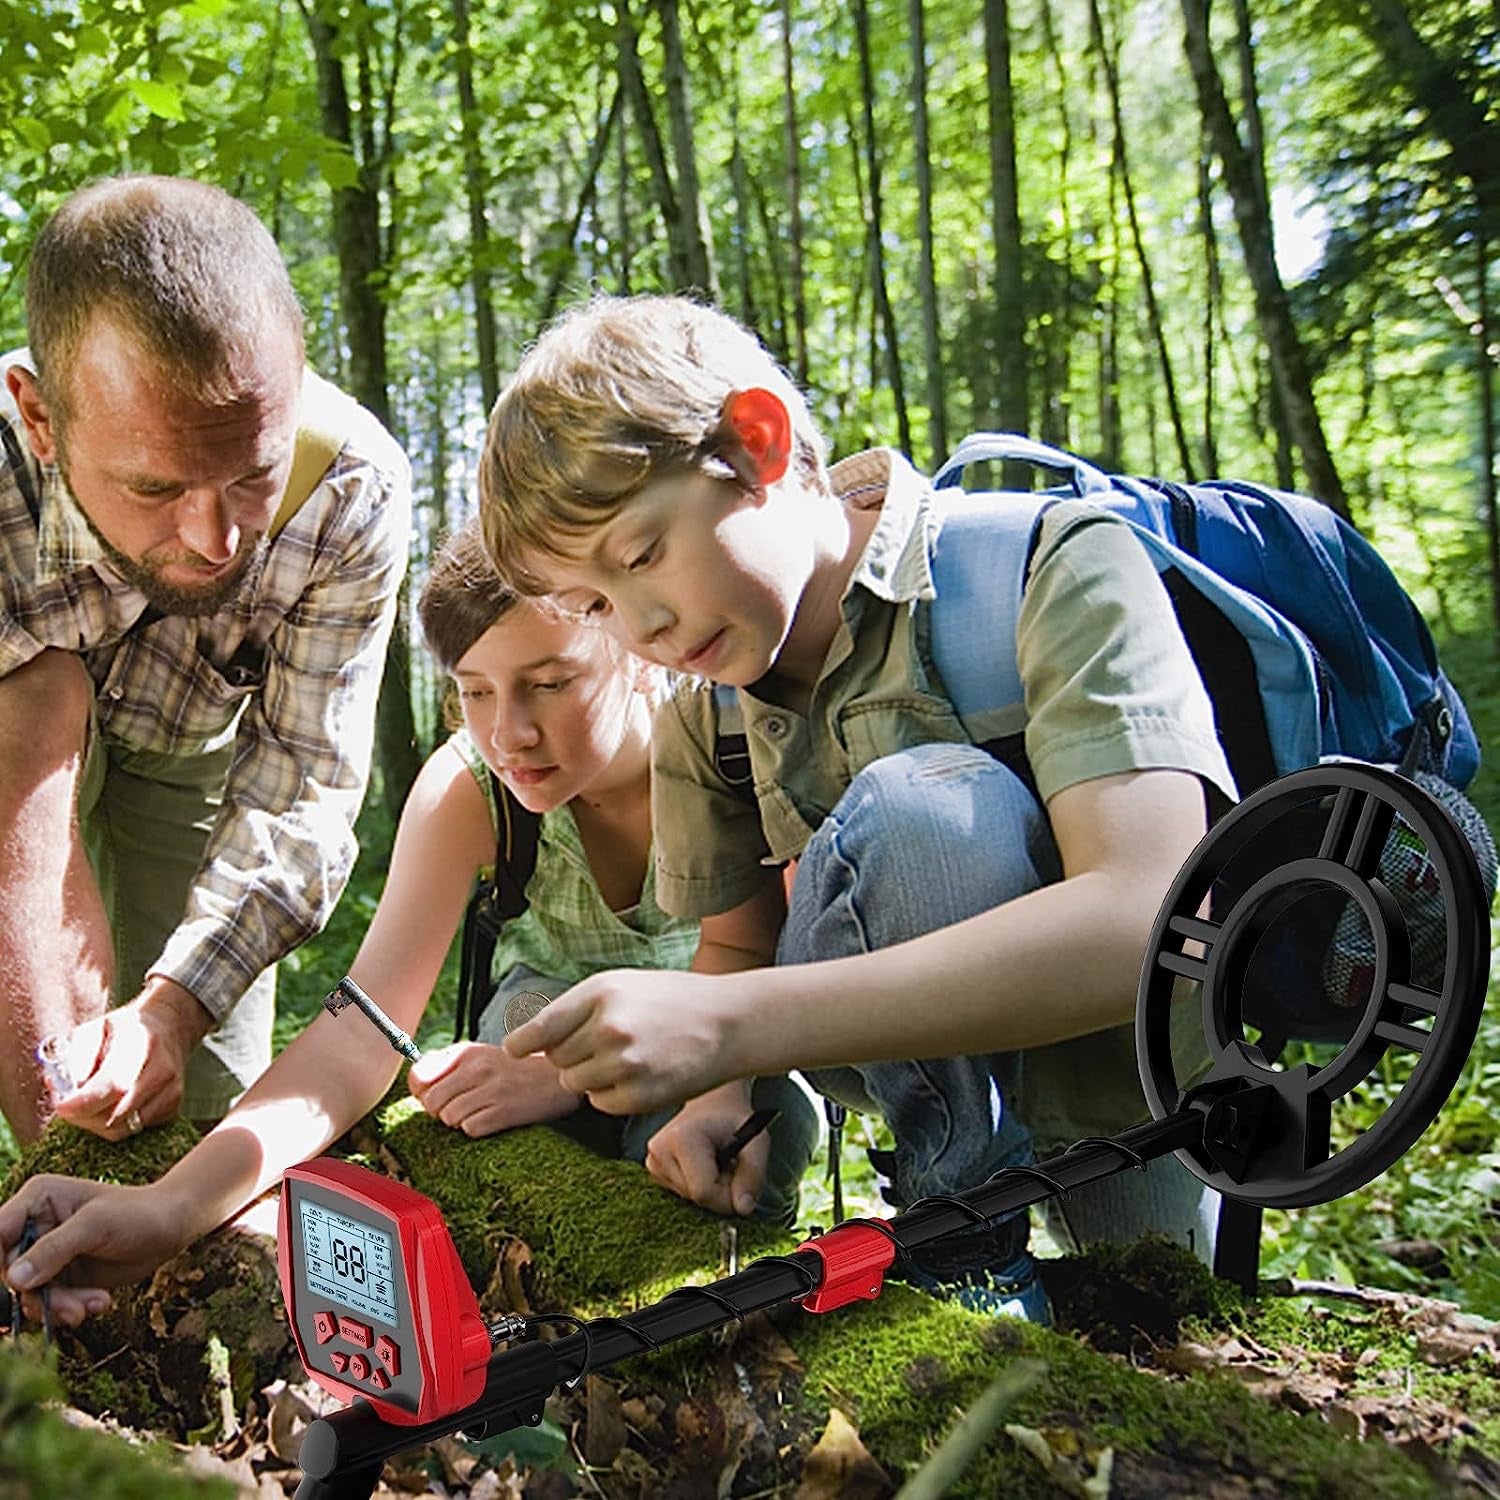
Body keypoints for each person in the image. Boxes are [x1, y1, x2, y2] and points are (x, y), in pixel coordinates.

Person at [476, 294, 1240, 1318]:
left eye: (644, 553)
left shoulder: (1048, 566)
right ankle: (962, 1247)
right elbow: (737, 949)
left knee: (1168, 1319)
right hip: (930, 1111)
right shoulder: (708, 714)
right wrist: (718, 1096)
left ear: (756, 443)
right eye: (599, 606)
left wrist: (730, 1028)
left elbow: (1145, 916)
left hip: (1127, 1086)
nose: (645, 626)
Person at [0, 519, 816, 1327]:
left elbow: (750, 957)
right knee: (521, 1034)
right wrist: (170, 1208)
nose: (511, 733)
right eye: (475, 691)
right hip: (535, 1026)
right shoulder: (472, 786)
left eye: (552, 682)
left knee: (746, 1134)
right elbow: (364, 1030)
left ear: (634, 647)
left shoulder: (721, 747)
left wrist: (567, 1082)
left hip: (723, 1038)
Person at [0, 175, 411, 1144]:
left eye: (252, 473)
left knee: (205, 1097)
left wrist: (172, 1010)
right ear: (41, 417)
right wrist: (59, 1145)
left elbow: (302, 789)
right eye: (154, 484)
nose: (217, 537)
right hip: (16, 747)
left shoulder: (350, 489)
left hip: (189, 755)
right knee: (36, 692)